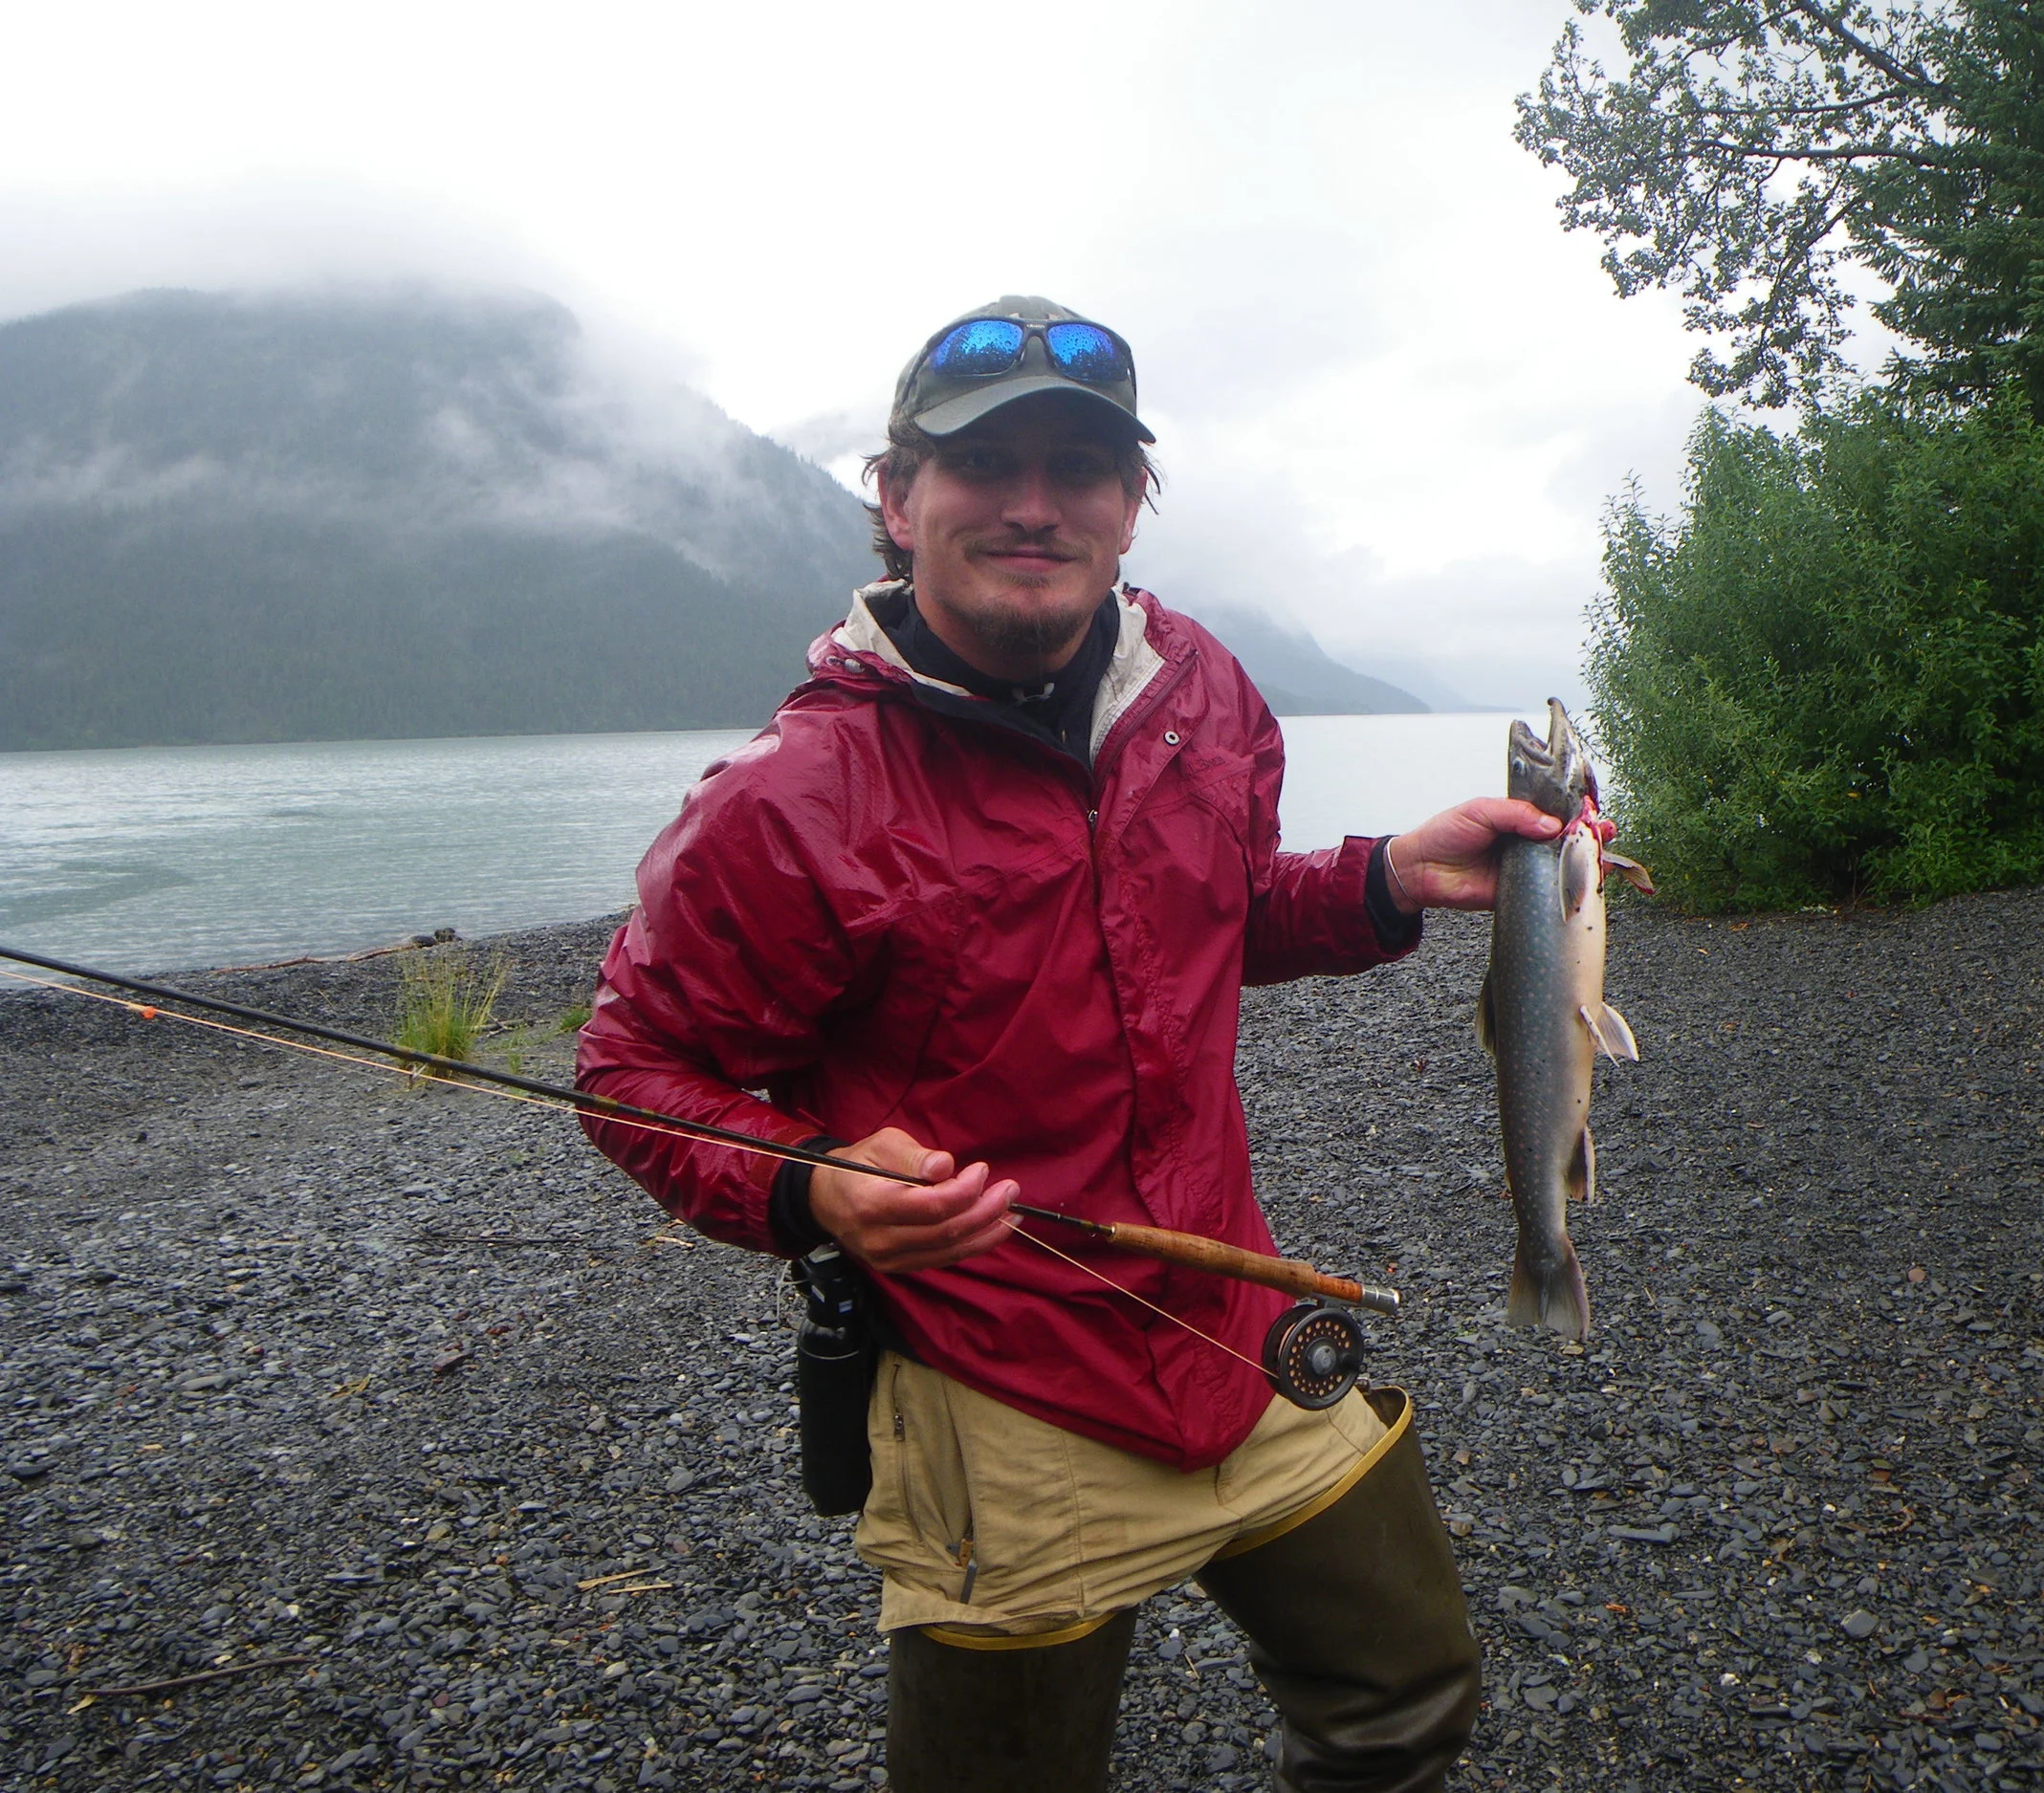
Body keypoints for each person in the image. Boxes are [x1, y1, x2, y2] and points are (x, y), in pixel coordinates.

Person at [576, 296, 1568, 1793]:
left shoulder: (1200, 693)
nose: (1035, 504)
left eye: (1083, 466)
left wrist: (1378, 879)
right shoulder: (789, 799)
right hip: (1004, 1388)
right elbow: (629, 1071)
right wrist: (814, 1181)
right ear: (898, 502)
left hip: (1245, 1330)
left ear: (1131, 506)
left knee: (1404, 1692)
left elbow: (1213, 919)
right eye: (987, 466)